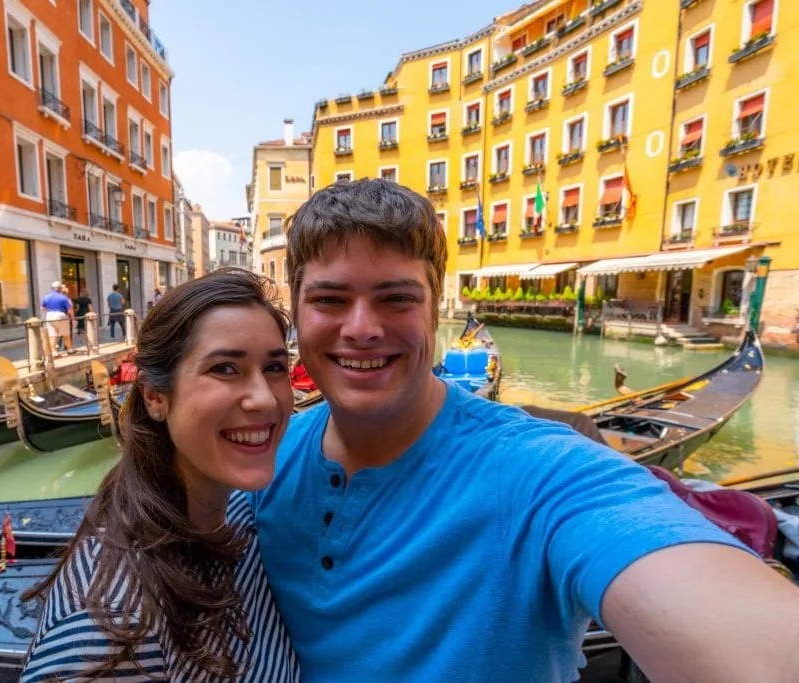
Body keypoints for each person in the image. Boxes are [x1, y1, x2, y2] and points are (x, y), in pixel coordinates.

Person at [251, 178, 799, 682]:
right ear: (297, 310)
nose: (363, 329)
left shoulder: (545, 475)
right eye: (329, 300)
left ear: (435, 307)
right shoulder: (264, 459)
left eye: (396, 298)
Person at [21, 269, 299, 682]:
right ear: (154, 396)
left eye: (275, 367)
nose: (264, 399)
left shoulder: (238, 513)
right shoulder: (110, 633)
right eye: (225, 368)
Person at [41, 281, 73, 356]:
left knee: (52, 334)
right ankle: (69, 350)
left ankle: (54, 352)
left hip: (49, 315)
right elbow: (69, 310)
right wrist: (72, 318)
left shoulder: (46, 296)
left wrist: (49, 310)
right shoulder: (63, 297)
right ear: (60, 288)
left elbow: (42, 308)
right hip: (61, 315)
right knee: (66, 334)